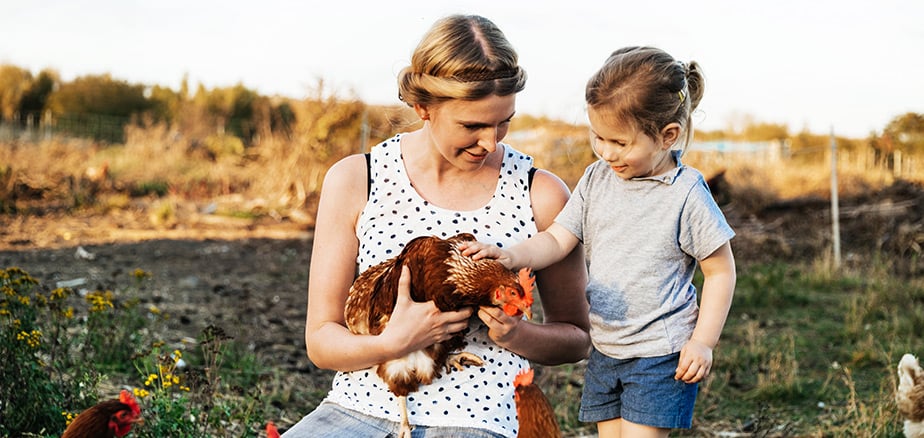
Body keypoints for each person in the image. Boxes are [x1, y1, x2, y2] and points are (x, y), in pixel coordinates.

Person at [282, 14, 591, 438]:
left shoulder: (541, 192)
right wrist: (390, 344)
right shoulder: (357, 179)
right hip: (356, 410)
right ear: (423, 107)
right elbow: (321, 340)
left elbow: (576, 337)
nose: (491, 142)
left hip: (477, 418)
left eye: (504, 122)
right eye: (472, 125)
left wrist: (518, 334)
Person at [463, 46, 737, 437]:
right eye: (598, 137)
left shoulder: (686, 193)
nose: (606, 152)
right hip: (606, 347)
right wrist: (510, 256)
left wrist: (703, 342)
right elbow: (557, 239)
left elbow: (721, 272)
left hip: (661, 352)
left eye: (619, 143)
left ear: (667, 136)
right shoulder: (597, 178)